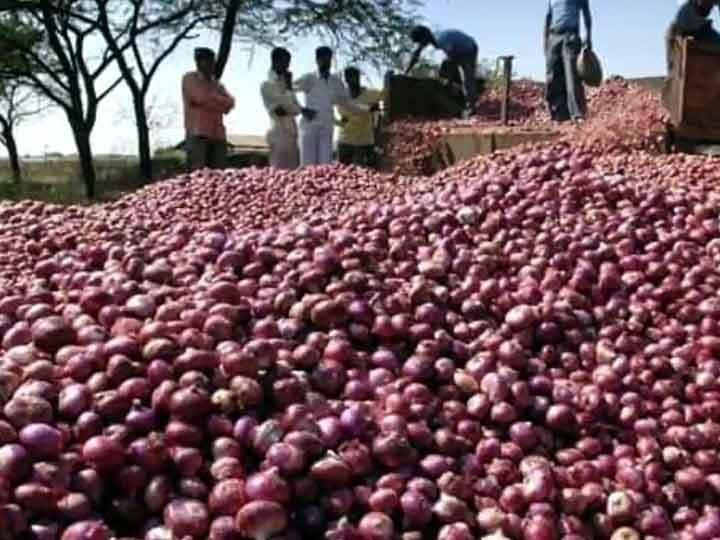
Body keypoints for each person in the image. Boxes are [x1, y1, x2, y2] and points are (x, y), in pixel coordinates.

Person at [294, 46, 375, 167]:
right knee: (308, 165)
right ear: (317, 60)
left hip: (327, 126)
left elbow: (347, 103)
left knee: (325, 167)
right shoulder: (309, 78)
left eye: (328, 59)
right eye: (323, 59)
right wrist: (301, 109)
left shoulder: (336, 82)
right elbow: (288, 90)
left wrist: (367, 108)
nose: (326, 62)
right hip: (310, 126)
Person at [260, 48, 316, 170]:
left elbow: (294, 109)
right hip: (279, 134)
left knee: (292, 175)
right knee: (279, 173)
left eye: (288, 63)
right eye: (284, 63)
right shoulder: (267, 85)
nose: (287, 67)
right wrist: (289, 91)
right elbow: (281, 110)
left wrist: (298, 108)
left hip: (292, 134)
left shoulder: (285, 85)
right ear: (275, 62)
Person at [181, 47, 235, 170]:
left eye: (212, 61)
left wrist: (211, 100)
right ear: (198, 62)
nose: (211, 64)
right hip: (198, 132)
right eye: (207, 61)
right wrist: (219, 103)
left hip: (218, 133)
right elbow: (200, 97)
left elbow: (230, 103)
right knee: (197, 173)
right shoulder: (190, 78)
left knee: (219, 172)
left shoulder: (216, 83)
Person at [405, 26, 479, 115]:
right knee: (445, 69)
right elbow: (416, 54)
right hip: (457, 48)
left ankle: (471, 107)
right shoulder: (431, 36)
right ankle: (457, 90)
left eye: (421, 42)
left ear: (425, 37)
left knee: (467, 78)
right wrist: (406, 71)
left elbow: (452, 58)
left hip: (468, 48)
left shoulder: (441, 40)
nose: (421, 44)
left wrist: (450, 80)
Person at [544, 0, 592, 123]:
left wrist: (588, 37)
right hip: (554, 37)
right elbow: (548, 18)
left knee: (572, 76)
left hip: (570, 37)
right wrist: (545, 41)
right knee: (552, 76)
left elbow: (586, 14)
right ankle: (557, 114)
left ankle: (577, 114)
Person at [336, 67, 385, 168]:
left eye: (356, 77)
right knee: (342, 173)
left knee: (367, 173)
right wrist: (369, 108)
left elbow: (386, 95)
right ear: (346, 79)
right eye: (350, 77)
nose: (354, 80)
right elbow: (347, 112)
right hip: (346, 141)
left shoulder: (371, 94)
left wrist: (389, 78)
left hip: (365, 141)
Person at [666, 0, 720, 72]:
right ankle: (672, 74)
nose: (709, 9)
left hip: (701, 27)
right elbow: (678, 34)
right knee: (675, 48)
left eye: (710, 7)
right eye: (705, 7)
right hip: (681, 28)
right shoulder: (684, 13)